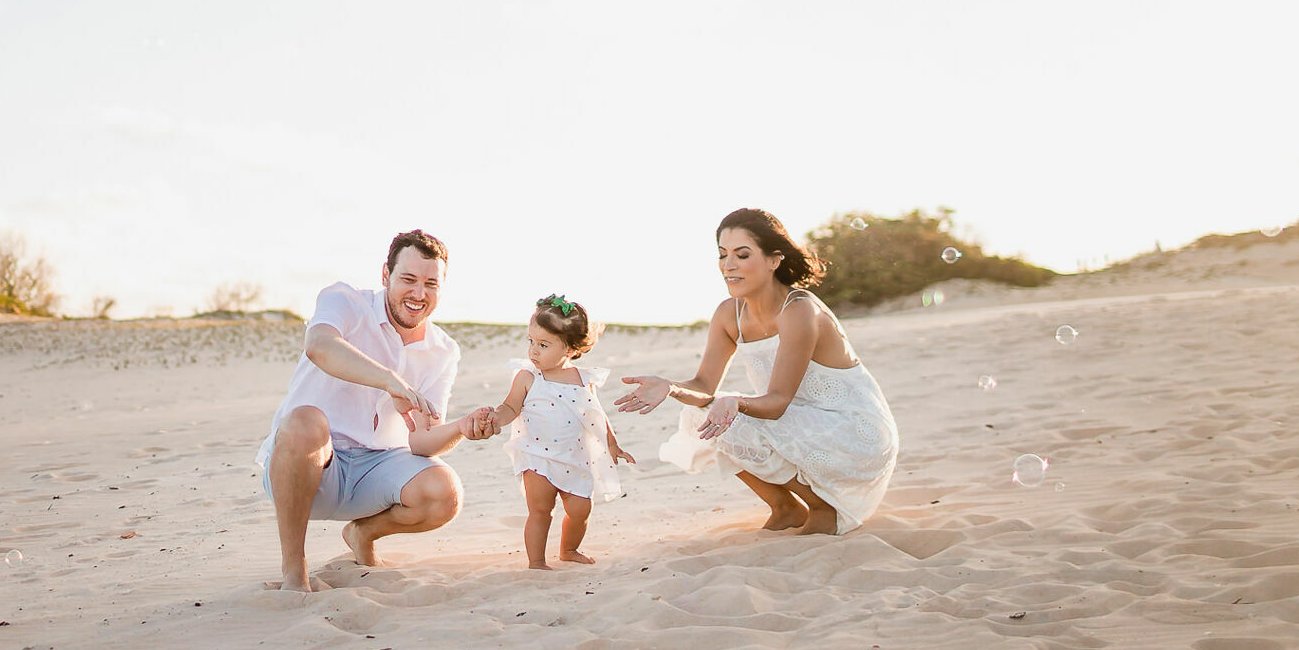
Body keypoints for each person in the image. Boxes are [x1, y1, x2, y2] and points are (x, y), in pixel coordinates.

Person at [613, 208, 897, 535]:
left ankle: (824, 509)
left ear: (774, 260)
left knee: (730, 416)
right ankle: (785, 507)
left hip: (852, 428)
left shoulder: (799, 310)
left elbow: (776, 403)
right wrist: (671, 388)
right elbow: (704, 386)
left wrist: (735, 402)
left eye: (742, 254)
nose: (728, 265)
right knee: (699, 414)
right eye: (723, 254)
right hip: (802, 421)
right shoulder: (728, 314)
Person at [257, 230, 499, 592]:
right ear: (386, 275)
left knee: (445, 492)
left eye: (431, 284)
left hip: (376, 472)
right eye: (408, 279)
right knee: (305, 421)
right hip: (309, 468)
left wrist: (461, 427)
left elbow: (421, 441)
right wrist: (389, 381)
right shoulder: (345, 300)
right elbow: (319, 345)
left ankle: (362, 534)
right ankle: (295, 572)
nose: (419, 294)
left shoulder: (443, 350)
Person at [487, 294, 634, 570]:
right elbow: (510, 407)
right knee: (540, 511)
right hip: (537, 457)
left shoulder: (583, 379)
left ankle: (569, 549)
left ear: (570, 348)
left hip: (575, 458)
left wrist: (612, 444)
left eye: (543, 345)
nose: (533, 351)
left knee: (581, 509)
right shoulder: (528, 377)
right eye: (531, 342)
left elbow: (597, 414)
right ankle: (537, 561)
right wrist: (496, 417)